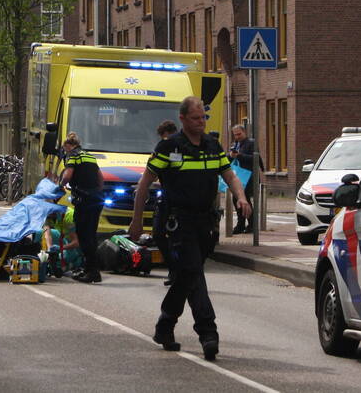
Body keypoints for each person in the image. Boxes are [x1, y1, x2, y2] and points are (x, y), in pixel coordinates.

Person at [129, 96, 251, 362]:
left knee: (186, 276)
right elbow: (144, 184)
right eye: (196, 119)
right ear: (183, 119)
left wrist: (241, 197)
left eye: (203, 118)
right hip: (179, 222)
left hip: (205, 222)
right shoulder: (168, 147)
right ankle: (208, 333)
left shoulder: (212, 145)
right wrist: (137, 221)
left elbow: (229, 175)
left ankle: (165, 325)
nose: (201, 123)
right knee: (193, 272)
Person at [58, 132, 104, 284]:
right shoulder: (89, 155)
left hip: (84, 200)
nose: (65, 152)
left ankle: (92, 272)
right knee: (91, 234)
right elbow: (100, 178)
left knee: (83, 235)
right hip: (96, 199)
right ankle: (89, 268)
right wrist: (96, 191)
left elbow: (68, 174)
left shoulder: (72, 155)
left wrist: (61, 185)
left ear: (68, 146)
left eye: (65, 149)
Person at [229, 124, 260, 235]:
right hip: (238, 176)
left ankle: (250, 224)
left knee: (244, 199)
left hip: (249, 176)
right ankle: (243, 224)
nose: (237, 136)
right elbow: (230, 160)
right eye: (235, 135)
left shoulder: (251, 143)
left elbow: (255, 158)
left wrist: (239, 155)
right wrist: (231, 155)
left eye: (239, 134)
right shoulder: (235, 144)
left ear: (244, 132)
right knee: (237, 199)